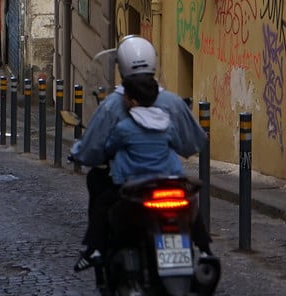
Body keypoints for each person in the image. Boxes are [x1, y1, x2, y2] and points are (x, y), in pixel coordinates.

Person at [71, 35, 211, 271]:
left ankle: (95, 247)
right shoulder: (173, 103)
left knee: (99, 188)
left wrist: (81, 152)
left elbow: (98, 149)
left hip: (132, 181)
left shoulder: (113, 108)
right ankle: (206, 249)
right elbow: (189, 144)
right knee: (190, 203)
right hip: (169, 178)